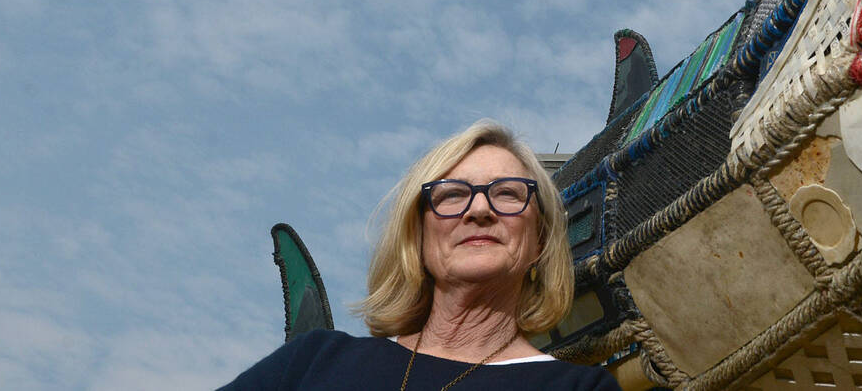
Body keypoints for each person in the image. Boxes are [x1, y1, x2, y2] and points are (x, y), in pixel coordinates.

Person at [221, 120, 621, 391]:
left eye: (506, 193)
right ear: (418, 238)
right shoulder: (313, 362)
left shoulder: (580, 388)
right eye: (452, 195)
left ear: (540, 241)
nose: (479, 209)